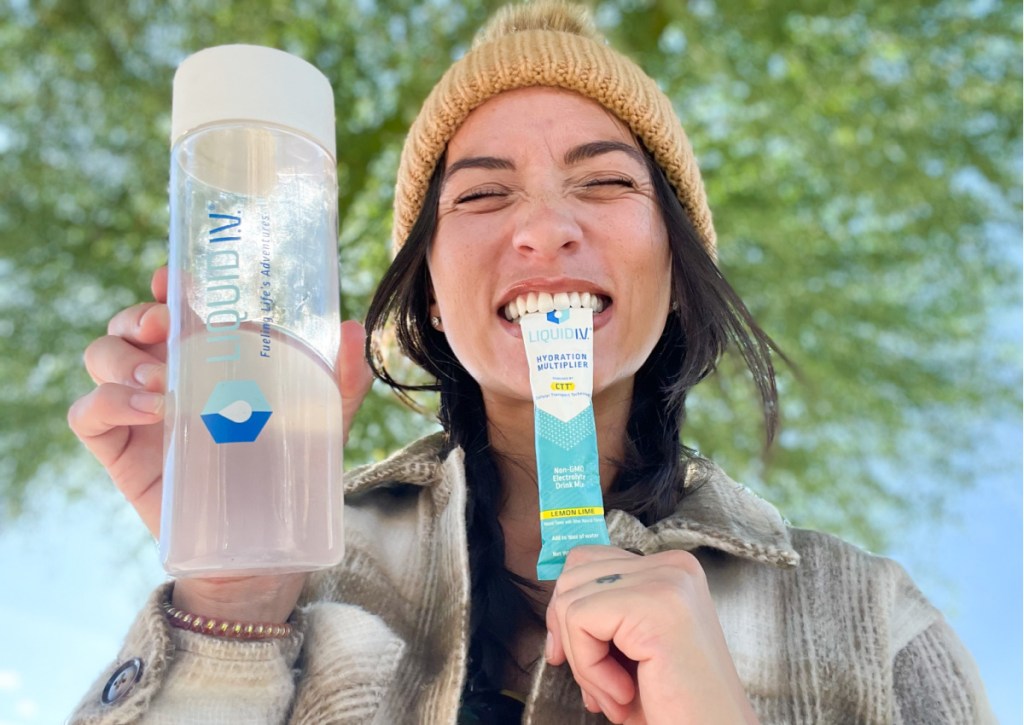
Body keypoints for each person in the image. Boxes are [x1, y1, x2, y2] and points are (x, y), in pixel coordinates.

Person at [67, 2, 993, 723]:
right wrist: (231, 602)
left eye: (604, 181)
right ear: (429, 289)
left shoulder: (871, 619)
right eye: (482, 194)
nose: (546, 227)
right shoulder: (305, 549)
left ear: (677, 269)